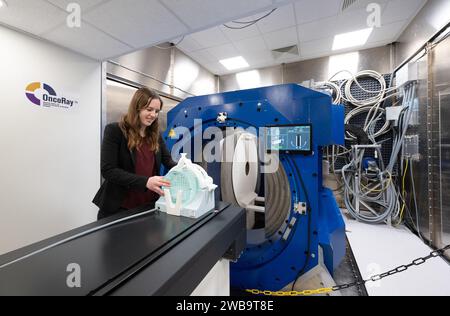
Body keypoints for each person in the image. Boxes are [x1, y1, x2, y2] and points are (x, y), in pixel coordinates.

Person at [93, 87, 177, 220]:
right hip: (119, 207)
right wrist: (145, 182)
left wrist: (187, 168)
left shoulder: (155, 135)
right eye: (149, 110)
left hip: (148, 205)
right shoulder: (115, 131)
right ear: (136, 108)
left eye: (156, 111)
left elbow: (168, 161)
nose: (153, 115)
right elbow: (108, 170)